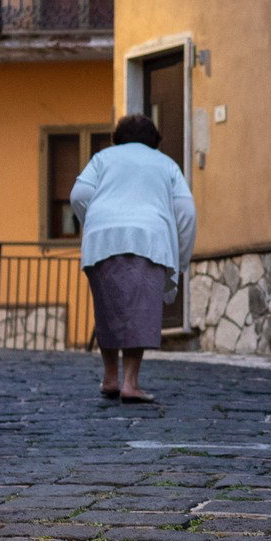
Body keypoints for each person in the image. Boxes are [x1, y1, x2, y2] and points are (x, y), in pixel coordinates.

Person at [69, 114, 196, 403]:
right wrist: (182, 258)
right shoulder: (166, 164)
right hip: (149, 239)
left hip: (102, 239)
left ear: (117, 137)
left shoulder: (103, 158)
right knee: (140, 311)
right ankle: (130, 383)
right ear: (154, 140)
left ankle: (110, 377)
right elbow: (186, 214)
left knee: (108, 308)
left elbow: (78, 195)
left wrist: (94, 221)